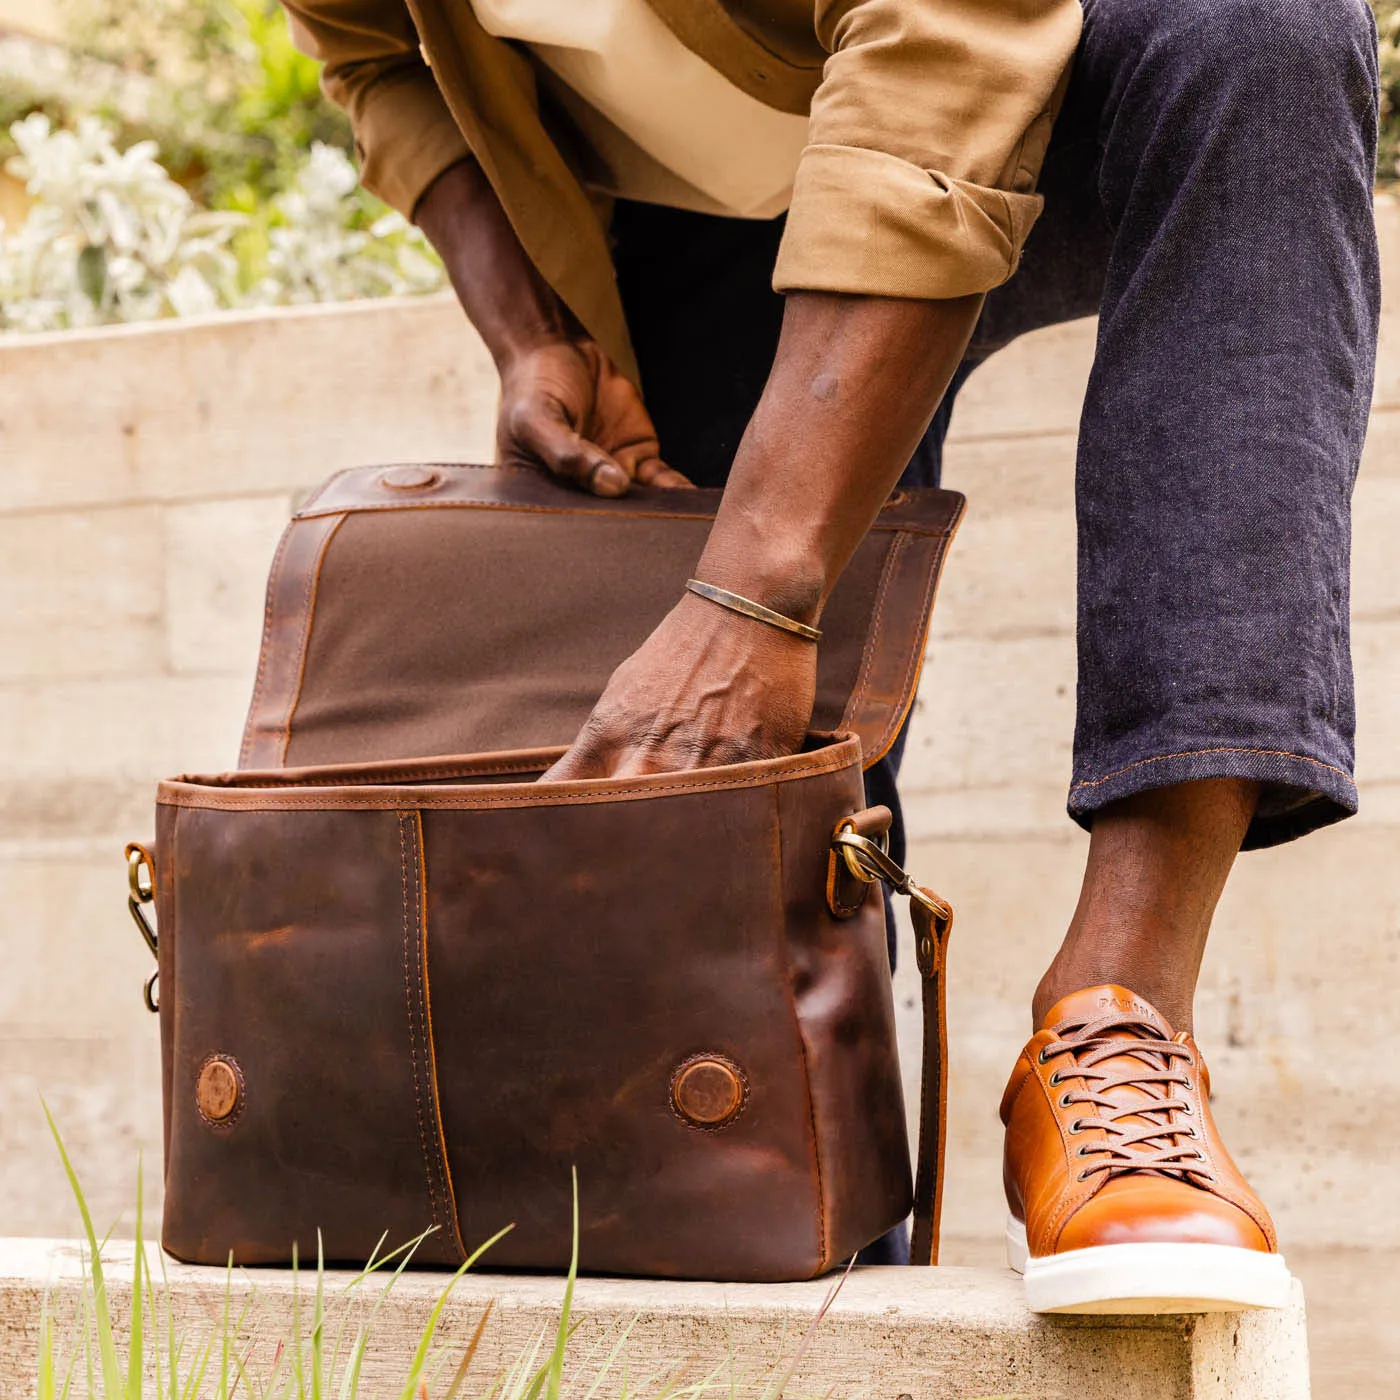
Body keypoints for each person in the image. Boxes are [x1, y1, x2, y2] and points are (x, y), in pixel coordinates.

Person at [280, 0, 1381, 1312]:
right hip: (706, 223)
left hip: (1024, 53)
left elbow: (944, 43)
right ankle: (814, 1173)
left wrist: (756, 593)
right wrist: (533, 332)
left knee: (1265, 32)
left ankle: (1117, 1021)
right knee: (727, 851)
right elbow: (379, 57)